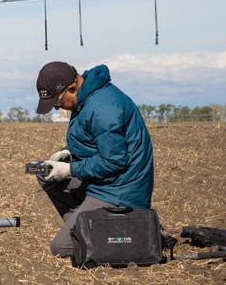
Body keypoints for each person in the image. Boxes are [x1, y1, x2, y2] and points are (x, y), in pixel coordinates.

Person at [35, 61, 154, 258]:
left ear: (72, 88)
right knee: (44, 174)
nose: (56, 108)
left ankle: (120, 229)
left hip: (120, 192)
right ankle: (90, 225)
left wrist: (69, 170)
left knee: (62, 248)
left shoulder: (103, 108)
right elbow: (93, 141)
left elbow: (113, 161)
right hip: (103, 182)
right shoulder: (85, 99)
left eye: (57, 102)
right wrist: (68, 154)